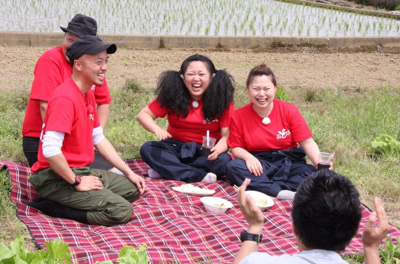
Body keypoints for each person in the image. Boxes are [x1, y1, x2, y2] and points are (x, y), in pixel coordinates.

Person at [27, 36, 145, 226]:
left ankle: (86, 195)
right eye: (98, 62)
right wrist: (77, 182)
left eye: (106, 61)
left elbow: (98, 138)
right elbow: (50, 149)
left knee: (131, 189)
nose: (104, 67)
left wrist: (128, 171)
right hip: (55, 177)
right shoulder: (65, 98)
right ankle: (52, 206)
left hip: (82, 169)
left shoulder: (87, 93)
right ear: (78, 65)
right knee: (121, 210)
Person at [234, 170, 389, 264]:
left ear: (294, 227)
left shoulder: (259, 261)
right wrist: (371, 248)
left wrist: (254, 228)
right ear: (354, 231)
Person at [22, 14, 112, 170]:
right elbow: (46, 108)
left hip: (77, 141)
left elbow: (103, 101)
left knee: (113, 171)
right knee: (94, 175)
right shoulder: (50, 60)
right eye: (69, 40)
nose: (71, 46)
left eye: (79, 42)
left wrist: (95, 138)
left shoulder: (92, 67)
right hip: (42, 139)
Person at [226, 64, 325, 199]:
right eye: (256, 89)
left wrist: (318, 162)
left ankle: (267, 187)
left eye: (267, 89)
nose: (261, 94)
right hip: (259, 163)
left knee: (324, 177)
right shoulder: (238, 116)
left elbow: (306, 141)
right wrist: (248, 157)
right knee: (234, 167)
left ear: (275, 89)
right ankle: (281, 193)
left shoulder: (289, 110)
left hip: (289, 162)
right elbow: (236, 148)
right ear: (248, 90)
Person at [137, 54, 235, 183]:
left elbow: (227, 135)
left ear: (212, 77)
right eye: (190, 74)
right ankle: (198, 176)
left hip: (205, 151)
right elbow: (143, 115)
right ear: (182, 77)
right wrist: (156, 128)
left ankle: (168, 170)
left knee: (224, 160)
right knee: (148, 148)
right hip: (175, 147)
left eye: (201, 74)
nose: (196, 79)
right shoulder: (172, 95)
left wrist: (218, 149)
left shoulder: (222, 101)